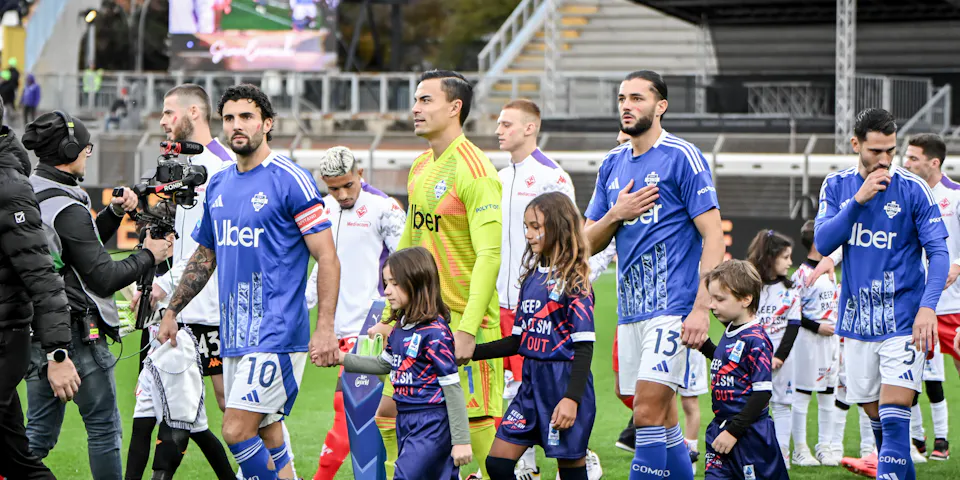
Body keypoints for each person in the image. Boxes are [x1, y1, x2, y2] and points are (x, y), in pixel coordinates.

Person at [156, 84, 341, 480]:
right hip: (235, 332)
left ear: (267, 124)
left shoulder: (290, 179)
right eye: (229, 118)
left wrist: (325, 327)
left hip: (277, 332)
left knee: (236, 429)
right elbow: (205, 254)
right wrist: (172, 309)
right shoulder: (219, 183)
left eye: (246, 117)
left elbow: (326, 256)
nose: (236, 125)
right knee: (268, 433)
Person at [583, 70, 724, 480]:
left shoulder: (682, 156)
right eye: (622, 98)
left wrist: (701, 308)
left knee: (645, 413)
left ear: (660, 106)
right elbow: (586, 242)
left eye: (637, 98)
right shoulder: (611, 164)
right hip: (630, 312)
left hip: (672, 309)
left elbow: (714, 235)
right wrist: (617, 214)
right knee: (660, 418)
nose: (627, 106)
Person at [366, 70, 504, 480]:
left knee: (474, 423)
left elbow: (490, 255)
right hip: (420, 320)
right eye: (416, 100)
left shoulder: (475, 171)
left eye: (426, 100)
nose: (415, 108)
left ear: (455, 107)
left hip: (463, 322)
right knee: (389, 413)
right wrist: (391, 315)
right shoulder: (421, 166)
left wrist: (467, 328)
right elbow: (407, 249)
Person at [21, 111, 173, 480]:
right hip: (75, 334)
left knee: (37, 437)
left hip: (37, 329)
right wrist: (148, 255)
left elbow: (72, 250)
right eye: (86, 148)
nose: (88, 154)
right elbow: (103, 278)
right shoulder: (68, 208)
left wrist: (112, 214)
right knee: (104, 428)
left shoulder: (30, 191)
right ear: (69, 150)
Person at [815, 107, 948, 480]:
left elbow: (939, 254)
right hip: (858, 323)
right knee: (881, 425)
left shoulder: (914, 189)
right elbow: (824, 242)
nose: (885, 160)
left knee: (893, 417)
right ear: (855, 144)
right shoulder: (836, 186)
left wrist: (927, 308)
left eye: (891, 150)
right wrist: (858, 200)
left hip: (903, 320)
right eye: (876, 151)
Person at [124, 84, 237, 480]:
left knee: (228, 405)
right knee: (163, 403)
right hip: (177, 308)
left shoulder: (222, 167)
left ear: (194, 112)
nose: (162, 121)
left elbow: (215, 246)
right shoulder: (181, 168)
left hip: (213, 309)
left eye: (169, 112)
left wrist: (168, 286)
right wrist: (157, 281)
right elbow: (179, 239)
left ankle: (271, 469)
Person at [493, 98, 603, 480]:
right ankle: (527, 465)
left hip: (548, 303)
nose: (498, 130)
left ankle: (577, 456)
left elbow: (569, 238)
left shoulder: (552, 177)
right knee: (512, 387)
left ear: (530, 127)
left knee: (528, 386)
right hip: (508, 296)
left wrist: (570, 278)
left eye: (506, 124)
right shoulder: (498, 178)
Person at [471, 192, 596, 480]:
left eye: (535, 226)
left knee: (570, 471)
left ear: (558, 227)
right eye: (526, 226)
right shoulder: (531, 278)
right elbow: (518, 342)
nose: (528, 234)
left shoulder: (574, 281)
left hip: (563, 384)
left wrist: (571, 399)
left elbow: (584, 348)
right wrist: (470, 352)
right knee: (497, 463)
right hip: (530, 385)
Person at [306, 145, 405, 480]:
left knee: (354, 413)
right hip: (337, 329)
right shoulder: (322, 210)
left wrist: (392, 322)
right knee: (356, 415)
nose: (343, 194)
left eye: (348, 185)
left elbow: (407, 267)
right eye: (334, 188)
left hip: (373, 328)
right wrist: (304, 305)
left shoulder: (384, 208)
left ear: (359, 173)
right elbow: (322, 267)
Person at [338, 246, 473, 479]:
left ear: (416, 282)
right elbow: (383, 364)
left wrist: (461, 441)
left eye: (394, 283)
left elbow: (452, 388)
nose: (387, 291)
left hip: (431, 423)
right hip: (405, 418)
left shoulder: (435, 333)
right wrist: (341, 359)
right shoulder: (401, 328)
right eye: (386, 283)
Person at [0, 98, 80, 479]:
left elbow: (43, 277)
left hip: (5, 339)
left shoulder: (10, 187)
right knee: (17, 460)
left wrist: (58, 353)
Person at [699, 259, 789, 480]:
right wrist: (704, 345)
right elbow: (730, 363)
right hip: (720, 427)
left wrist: (733, 432)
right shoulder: (732, 329)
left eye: (720, 299)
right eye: (711, 298)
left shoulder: (756, 340)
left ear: (746, 299)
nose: (712, 305)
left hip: (749, 433)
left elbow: (762, 393)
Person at [903, 132, 954, 461]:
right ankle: (919, 440)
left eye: (913, 158)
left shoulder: (956, 196)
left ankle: (941, 439)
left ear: (934, 163)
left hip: (955, 305)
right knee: (911, 375)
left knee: (939, 379)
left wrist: (957, 265)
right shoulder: (906, 194)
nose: (905, 163)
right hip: (919, 305)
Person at [745, 230, 804, 467]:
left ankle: (782, 458)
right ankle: (753, 455)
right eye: (785, 257)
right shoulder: (750, 287)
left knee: (781, 405)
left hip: (781, 360)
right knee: (752, 407)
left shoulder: (790, 289)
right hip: (752, 358)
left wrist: (779, 356)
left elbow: (794, 324)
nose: (790, 262)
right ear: (770, 257)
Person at [789, 220, 841, 466]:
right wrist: (816, 327)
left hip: (831, 344)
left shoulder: (830, 272)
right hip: (808, 342)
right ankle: (800, 449)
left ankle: (825, 447)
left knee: (829, 393)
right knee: (802, 393)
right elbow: (792, 312)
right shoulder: (801, 274)